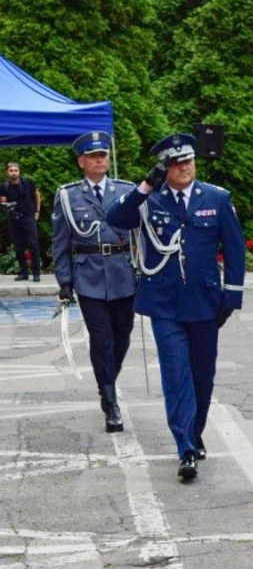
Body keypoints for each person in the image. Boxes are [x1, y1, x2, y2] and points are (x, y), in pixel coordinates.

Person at [106, 133, 246, 481]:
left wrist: (231, 297)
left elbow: (235, 250)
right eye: (177, 163)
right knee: (175, 373)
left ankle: (195, 431)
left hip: (205, 303)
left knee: (202, 375)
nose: (185, 167)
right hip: (165, 304)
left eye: (189, 161)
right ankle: (185, 447)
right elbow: (115, 218)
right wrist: (144, 187)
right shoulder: (149, 200)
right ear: (164, 169)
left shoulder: (216, 198)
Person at [51, 132, 137, 433]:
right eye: (93, 156)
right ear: (81, 162)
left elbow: (143, 235)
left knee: (122, 336)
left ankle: (106, 382)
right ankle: (110, 402)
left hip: (123, 274)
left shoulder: (127, 191)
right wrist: (64, 280)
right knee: (101, 339)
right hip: (88, 277)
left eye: (103, 155)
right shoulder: (68, 196)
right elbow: (60, 242)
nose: (100, 160)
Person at [1, 162, 42, 281]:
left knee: (34, 245)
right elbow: (3, 201)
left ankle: (36, 273)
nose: (13, 173)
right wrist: (7, 206)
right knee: (18, 247)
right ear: (7, 172)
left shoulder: (28, 182)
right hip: (14, 219)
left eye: (15, 170)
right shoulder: (4, 186)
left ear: (19, 172)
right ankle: (24, 273)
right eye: (11, 171)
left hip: (29, 217)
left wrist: (37, 211)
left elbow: (37, 195)